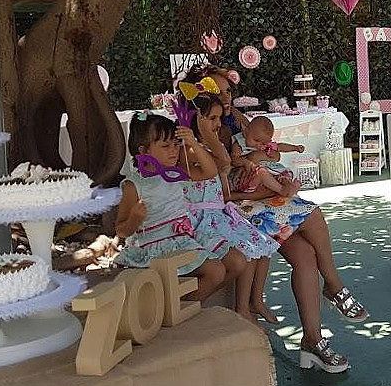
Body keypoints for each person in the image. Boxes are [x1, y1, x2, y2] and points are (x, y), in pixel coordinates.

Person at [193, 67, 369, 373]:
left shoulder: (237, 124)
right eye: (217, 93)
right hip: (240, 210)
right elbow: (220, 195)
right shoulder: (201, 141)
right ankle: (333, 286)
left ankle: (313, 339)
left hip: (262, 204)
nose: (225, 98)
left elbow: (268, 154)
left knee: (306, 253)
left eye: (228, 91)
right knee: (310, 215)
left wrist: (272, 179)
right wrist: (268, 189)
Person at [115, 111, 277, 324]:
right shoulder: (133, 186)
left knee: (227, 267)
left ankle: (178, 308)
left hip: (182, 239)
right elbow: (121, 230)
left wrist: (192, 142)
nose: (174, 151)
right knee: (216, 271)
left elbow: (210, 172)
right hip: (154, 244)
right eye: (166, 146)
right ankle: (175, 312)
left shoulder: (174, 173)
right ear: (144, 151)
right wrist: (135, 218)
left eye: (175, 145)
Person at [230, 116, 304, 197]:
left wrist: (295, 148)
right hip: (245, 178)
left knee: (284, 173)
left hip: (267, 177)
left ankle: (289, 188)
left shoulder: (266, 144)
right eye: (256, 140)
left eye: (263, 143)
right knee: (262, 173)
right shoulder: (240, 144)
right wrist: (245, 162)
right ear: (246, 132)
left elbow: (280, 146)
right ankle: (282, 190)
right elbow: (233, 159)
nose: (259, 145)